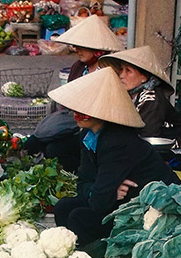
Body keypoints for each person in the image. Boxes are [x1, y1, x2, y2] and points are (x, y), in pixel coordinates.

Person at [47, 67, 179, 250]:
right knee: (64, 206)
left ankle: (97, 257)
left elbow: (99, 202)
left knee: (78, 217)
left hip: (145, 209)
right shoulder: (87, 134)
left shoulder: (117, 141)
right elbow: (83, 182)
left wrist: (101, 193)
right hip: (117, 201)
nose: (76, 114)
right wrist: (106, 191)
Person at [24, 15, 125, 173]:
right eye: (76, 46)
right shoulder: (78, 67)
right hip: (73, 121)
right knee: (32, 143)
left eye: (82, 46)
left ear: (97, 49)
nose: (76, 50)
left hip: (95, 127)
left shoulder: (110, 70)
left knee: (55, 150)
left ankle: (79, 179)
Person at [99, 45, 181, 172]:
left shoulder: (151, 99)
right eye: (121, 70)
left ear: (143, 77)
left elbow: (146, 136)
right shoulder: (132, 95)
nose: (121, 75)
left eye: (128, 71)